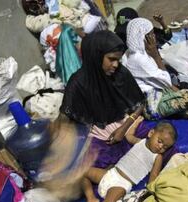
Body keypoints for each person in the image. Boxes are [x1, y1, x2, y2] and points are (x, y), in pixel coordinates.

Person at [59, 30, 146, 165]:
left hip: (129, 124)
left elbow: (140, 104)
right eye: (111, 59)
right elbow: (66, 116)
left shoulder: (120, 74)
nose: (116, 65)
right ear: (96, 56)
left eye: (118, 59)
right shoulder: (78, 82)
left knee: (157, 144)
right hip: (98, 135)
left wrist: (123, 129)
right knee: (95, 163)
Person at [81, 119, 177, 202]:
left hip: (121, 184)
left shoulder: (157, 157)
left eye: (165, 147)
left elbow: (153, 177)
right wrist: (135, 122)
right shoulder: (140, 142)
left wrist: (150, 192)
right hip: (111, 173)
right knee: (82, 172)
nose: (161, 147)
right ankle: (91, 198)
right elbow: (128, 136)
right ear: (151, 133)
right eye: (159, 141)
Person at [122, 18, 188, 120]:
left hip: (153, 93)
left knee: (186, 93)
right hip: (151, 105)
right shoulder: (139, 59)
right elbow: (166, 82)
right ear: (142, 37)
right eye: (151, 34)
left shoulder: (129, 52)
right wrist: (156, 56)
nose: (154, 37)